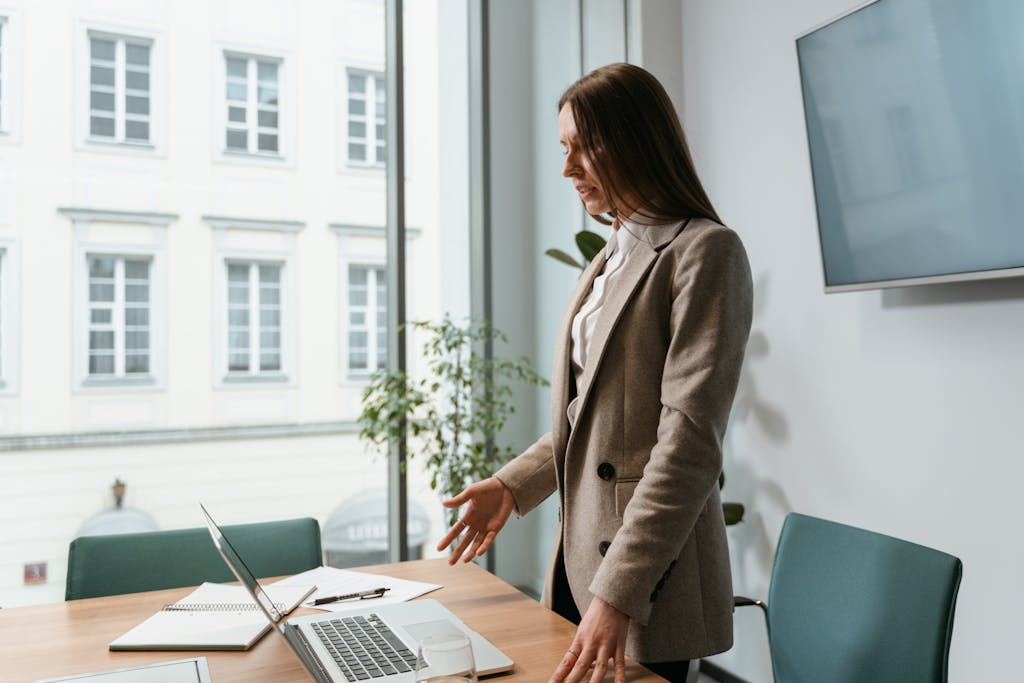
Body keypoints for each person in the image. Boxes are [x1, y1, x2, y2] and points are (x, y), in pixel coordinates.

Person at [436, 63, 753, 683]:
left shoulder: (705, 251)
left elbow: (687, 445)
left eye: (586, 147)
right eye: (564, 149)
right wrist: (512, 484)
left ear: (636, 141)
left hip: (645, 576)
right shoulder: (610, 255)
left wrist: (618, 593)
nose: (568, 168)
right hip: (582, 561)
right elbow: (595, 416)